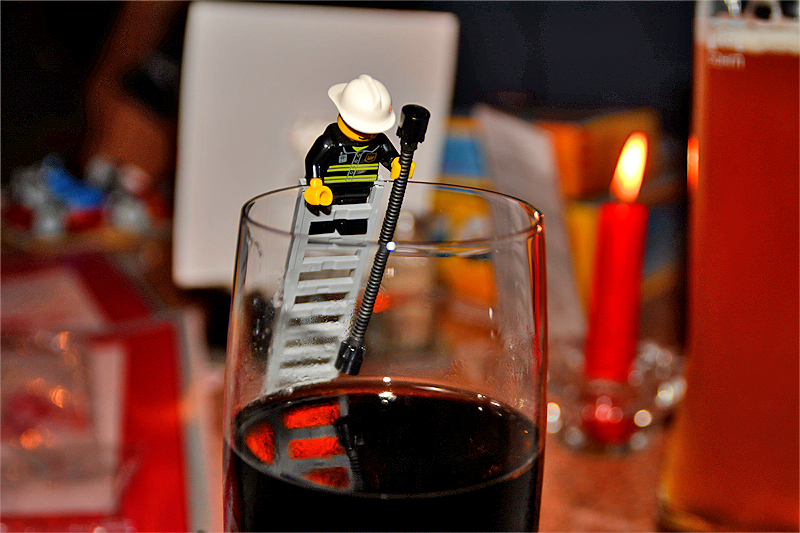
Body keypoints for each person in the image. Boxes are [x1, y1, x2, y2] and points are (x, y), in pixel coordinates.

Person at [303, 75, 413, 235]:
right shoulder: (331, 141)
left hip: (360, 195)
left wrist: (397, 163)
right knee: (320, 231)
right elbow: (314, 160)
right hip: (328, 194)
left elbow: (388, 155)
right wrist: (315, 183)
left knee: (356, 231)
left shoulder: (379, 142)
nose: (367, 134)